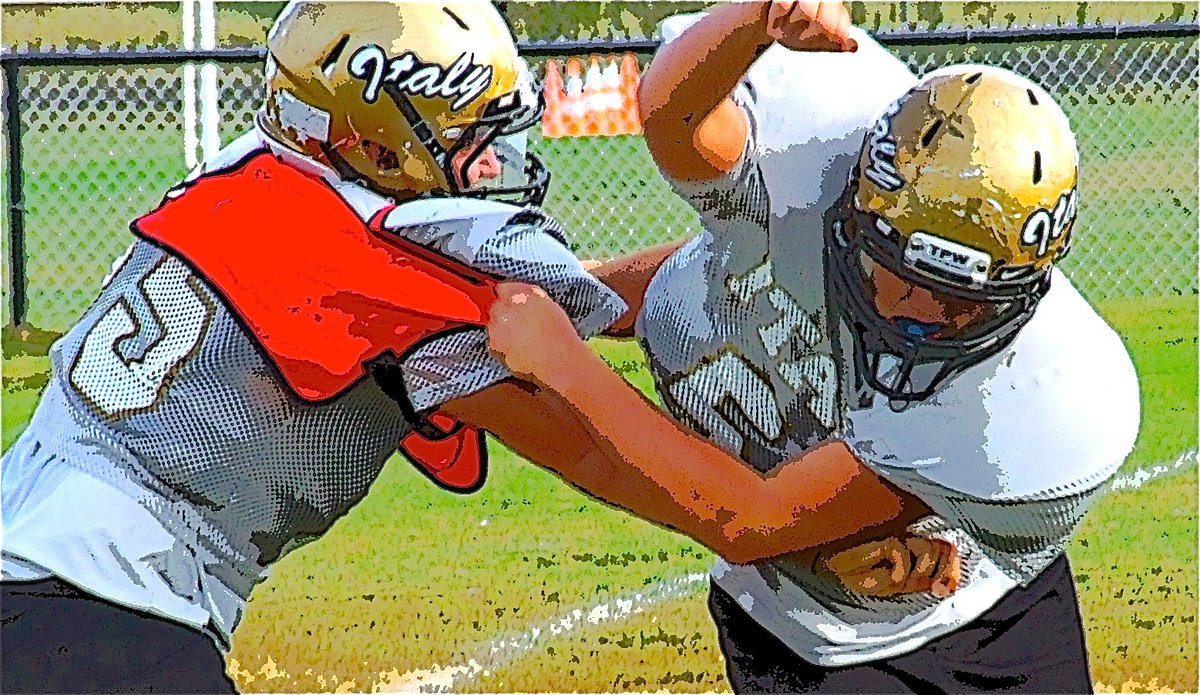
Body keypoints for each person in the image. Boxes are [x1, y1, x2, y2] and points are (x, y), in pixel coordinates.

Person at [0, 3, 955, 692]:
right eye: (466, 136)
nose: (493, 161)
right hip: (103, 618)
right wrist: (805, 534)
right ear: (375, 140)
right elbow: (596, 449)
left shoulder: (254, 180)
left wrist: (769, 249)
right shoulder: (386, 276)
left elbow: (566, 299)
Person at [483, 1, 1140, 693]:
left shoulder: (1045, 392)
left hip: (993, 616)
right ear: (856, 209)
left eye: (962, 302)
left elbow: (753, 515)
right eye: (905, 277)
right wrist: (755, 18)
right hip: (799, 635)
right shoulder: (811, 174)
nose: (922, 317)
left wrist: (565, 363)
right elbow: (676, 121)